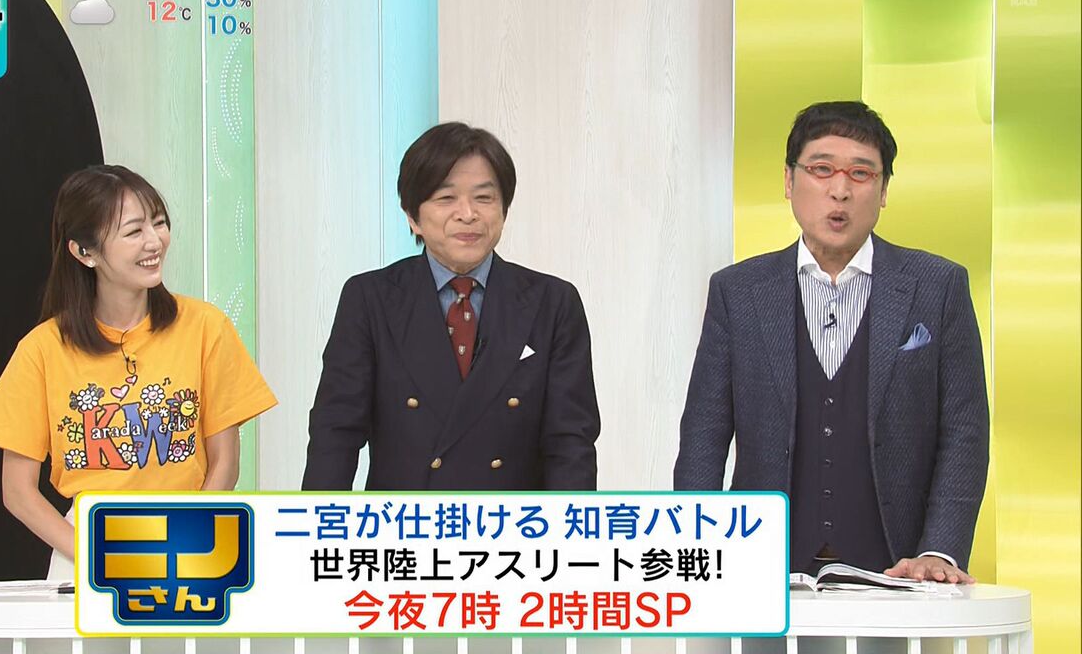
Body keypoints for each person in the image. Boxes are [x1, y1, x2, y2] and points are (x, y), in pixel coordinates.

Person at [674, 101, 988, 584]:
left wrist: (939, 551)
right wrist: (696, 552)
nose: (840, 191)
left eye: (861, 174)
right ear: (788, 180)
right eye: (822, 170)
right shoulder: (738, 291)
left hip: (900, 573)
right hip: (763, 573)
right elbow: (704, 434)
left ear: (884, 190)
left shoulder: (938, 286)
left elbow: (964, 430)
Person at [0, 165, 276, 577]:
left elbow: (226, 463)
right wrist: (96, 556)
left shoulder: (206, 328)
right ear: (85, 252)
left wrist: (186, 542)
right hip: (85, 551)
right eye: (134, 231)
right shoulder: (42, 349)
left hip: (190, 543)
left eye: (159, 223)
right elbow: (18, 491)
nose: (154, 241)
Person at [302, 122, 601, 491]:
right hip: (404, 522)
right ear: (412, 216)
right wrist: (316, 521)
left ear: (503, 210)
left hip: (514, 523)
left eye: (484, 198)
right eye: (446, 198)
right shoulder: (370, 299)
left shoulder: (552, 303)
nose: (468, 214)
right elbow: (336, 433)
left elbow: (570, 444)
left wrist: (568, 526)